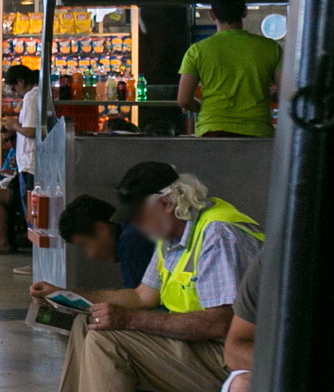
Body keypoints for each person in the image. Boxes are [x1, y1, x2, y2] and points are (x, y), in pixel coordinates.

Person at [34, 162, 263, 392]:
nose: (134, 225)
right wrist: (66, 295)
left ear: (165, 203)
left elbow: (220, 323)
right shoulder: (170, 237)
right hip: (199, 344)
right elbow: (142, 296)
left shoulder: (217, 235)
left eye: (138, 216)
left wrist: (129, 320)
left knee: (107, 342)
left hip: (227, 355)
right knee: (88, 321)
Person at [178, 0, 281, 138]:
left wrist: (202, 108)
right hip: (257, 132)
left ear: (212, 14)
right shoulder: (271, 48)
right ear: (245, 12)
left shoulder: (197, 51)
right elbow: (286, 92)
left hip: (212, 131)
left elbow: (184, 100)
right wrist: (266, 95)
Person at [56, 195, 155, 289]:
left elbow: (138, 300)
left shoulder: (130, 243)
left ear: (101, 230)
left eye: (85, 244)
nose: (91, 255)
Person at [3, 65, 42, 268]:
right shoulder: (37, 96)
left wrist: (13, 125)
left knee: (32, 215)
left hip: (29, 165)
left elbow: (30, 130)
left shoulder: (31, 97)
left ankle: (36, 262)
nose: (14, 92)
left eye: (13, 87)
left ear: (20, 81)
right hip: (29, 164)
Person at [221, 254, 262, 392]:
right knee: (242, 384)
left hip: (213, 342)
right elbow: (235, 349)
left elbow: (217, 324)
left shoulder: (219, 236)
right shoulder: (274, 259)